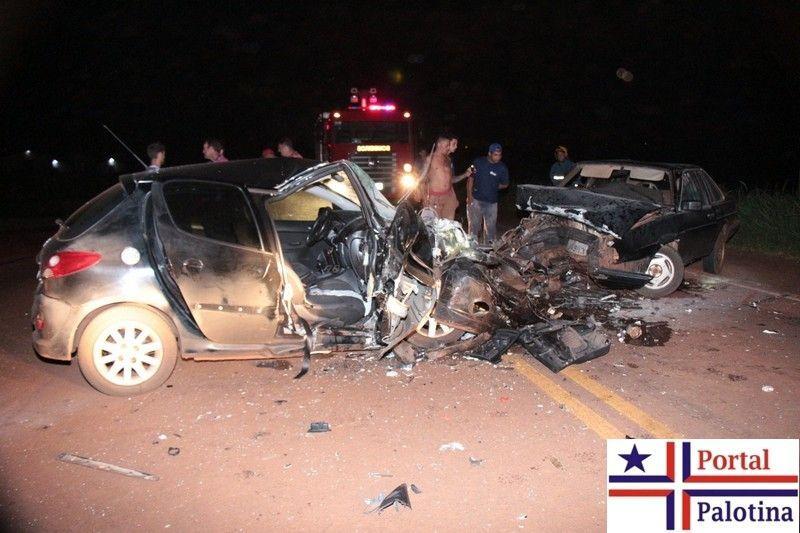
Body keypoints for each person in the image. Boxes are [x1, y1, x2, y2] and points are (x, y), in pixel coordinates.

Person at [418, 133, 473, 220]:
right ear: (439, 144)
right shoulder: (430, 159)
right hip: (434, 199)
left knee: (448, 225)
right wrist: (424, 200)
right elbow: (421, 180)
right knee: (435, 226)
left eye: (449, 145)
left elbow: (451, 180)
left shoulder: (448, 159)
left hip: (448, 197)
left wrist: (465, 174)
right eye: (447, 145)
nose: (448, 147)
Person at [467, 143, 510, 243]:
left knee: (490, 231)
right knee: (473, 228)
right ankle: (472, 248)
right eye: (495, 155)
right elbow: (470, 179)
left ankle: (488, 249)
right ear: (489, 154)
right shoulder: (478, 162)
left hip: (492, 202)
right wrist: (469, 196)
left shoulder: (502, 168)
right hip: (476, 200)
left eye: (500, 155)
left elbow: (505, 184)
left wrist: (494, 186)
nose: (498, 157)